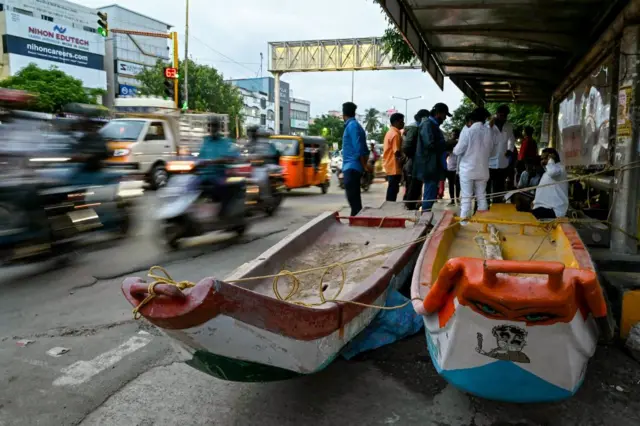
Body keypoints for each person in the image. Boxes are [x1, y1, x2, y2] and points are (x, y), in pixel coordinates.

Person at [453, 107, 496, 219]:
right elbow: (492, 152)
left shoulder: (469, 131)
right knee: (482, 196)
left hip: (468, 170)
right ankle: (483, 224)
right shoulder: (490, 132)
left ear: (472, 119)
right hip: (483, 170)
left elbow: (457, 151)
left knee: (467, 197)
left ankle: (464, 223)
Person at [198, 116, 241, 217]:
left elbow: (233, 156)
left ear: (218, 127)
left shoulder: (225, 142)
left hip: (219, 176)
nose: (212, 128)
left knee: (224, 188)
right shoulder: (206, 141)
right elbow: (199, 157)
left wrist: (216, 161)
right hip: (204, 176)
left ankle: (225, 215)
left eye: (214, 126)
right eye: (210, 126)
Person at [414, 103, 450, 212]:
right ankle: (425, 218)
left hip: (432, 165)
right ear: (438, 113)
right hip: (428, 165)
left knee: (431, 193)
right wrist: (447, 144)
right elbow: (429, 144)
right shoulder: (427, 124)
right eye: (444, 115)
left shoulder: (432, 125)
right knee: (429, 193)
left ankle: (426, 216)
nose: (445, 118)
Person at [341, 101, 370, 216]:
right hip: (353, 167)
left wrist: (364, 166)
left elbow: (359, 150)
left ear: (343, 115)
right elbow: (365, 150)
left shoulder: (352, 126)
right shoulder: (355, 126)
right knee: (354, 201)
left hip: (352, 168)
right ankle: (357, 220)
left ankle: (357, 222)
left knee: (354, 202)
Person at [487, 105, 515, 204]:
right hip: (489, 161)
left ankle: (497, 205)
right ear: (497, 114)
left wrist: (510, 149)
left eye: (505, 115)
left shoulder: (509, 126)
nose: (503, 117)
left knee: (499, 186)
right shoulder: (489, 125)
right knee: (487, 185)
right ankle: (484, 206)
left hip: (503, 161)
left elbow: (511, 140)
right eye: (501, 115)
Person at [402, 109, 430, 210]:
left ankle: (410, 207)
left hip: (414, 162)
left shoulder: (417, 127)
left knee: (414, 187)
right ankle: (409, 209)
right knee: (413, 187)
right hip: (414, 163)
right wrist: (415, 156)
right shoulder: (415, 128)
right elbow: (407, 146)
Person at [532, 148, 568, 219]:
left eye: (544, 158)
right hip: (546, 208)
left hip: (555, 210)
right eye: (541, 159)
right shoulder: (549, 171)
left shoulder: (560, 168)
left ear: (552, 157)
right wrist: (535, 202)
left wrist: (550, 160)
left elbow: (552, 172)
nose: (542, 161)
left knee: (527, 215)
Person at [382, 112, 405, 201]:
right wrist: (402, 163)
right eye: (401, 121)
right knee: (393, 189)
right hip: (394, 166)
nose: (403, 123)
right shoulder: (395, 134)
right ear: (396, 122)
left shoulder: (390, 132)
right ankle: (389, 206)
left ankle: (389, 204)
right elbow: (397, 152)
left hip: (389, 164)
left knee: (392, 188)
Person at [445, 129, 461, 205]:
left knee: (457, 185)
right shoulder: (450, 143)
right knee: (452, 184)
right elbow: (446, 154)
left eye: (454, 134)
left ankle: (456, 199)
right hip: (451, 167)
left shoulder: (458, 143)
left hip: (457, 168)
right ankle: (453, 199)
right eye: (452, 134)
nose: (453, 136)